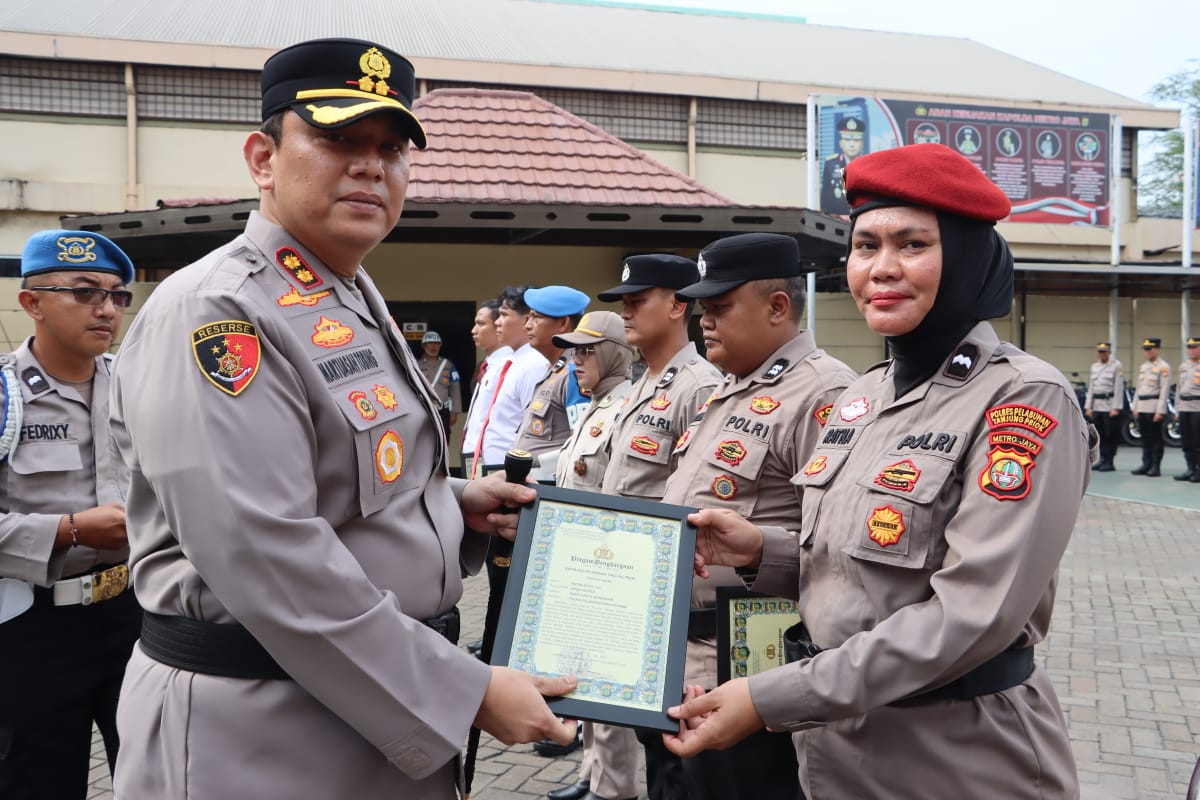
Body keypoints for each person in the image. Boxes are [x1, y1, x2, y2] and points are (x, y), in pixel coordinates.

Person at [107, 38, 576, 799]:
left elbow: (345, 474)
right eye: (338, 140)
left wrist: (453, 502)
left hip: (366, 710)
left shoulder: (344, 291)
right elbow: (263, 549)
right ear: (263, 159)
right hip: (262, 731)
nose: (370, 167)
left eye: (391, 149)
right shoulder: (218, 309)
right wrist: (465, 691)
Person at [666, 143, 1092, 799]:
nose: (882, 268)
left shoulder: (1023, 398)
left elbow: (972, 616)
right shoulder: (864, 396)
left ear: (968, 258)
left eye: (913, 244)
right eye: (865, 246)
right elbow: (857, 566)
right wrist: (760, 550)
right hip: (836, 750)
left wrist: (770, 697)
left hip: (956, 757)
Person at [663, 232, 856, 800]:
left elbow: (839, 553)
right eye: (702, 309)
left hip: (750, 673)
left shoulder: (825, 393)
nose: (704, 321)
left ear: (777, 306)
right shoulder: (729, 386)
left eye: (720, 307)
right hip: (686, 661)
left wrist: (756, 548)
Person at [0, 229, 141, 799]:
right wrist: (70, 530)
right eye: (84, 293)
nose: (106, 309)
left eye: (117, 295)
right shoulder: (6, 396)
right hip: (31, 628)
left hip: (134, 617)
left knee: (152, 775)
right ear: (31, 302)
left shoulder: (138, 387)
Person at [598, 253, 723, 800]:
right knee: (651, 745)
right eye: (623, 303)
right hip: (628, 590)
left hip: (670, 602)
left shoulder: (699, 385)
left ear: (677, 306)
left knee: (674, 758)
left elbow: (696, 498)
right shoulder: (639, 383)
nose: (626, 312)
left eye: (637, 300)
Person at [547, 310, 639, 800]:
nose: (575, 361)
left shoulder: (626, 406)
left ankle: (614, 787)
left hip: (605, 563)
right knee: (583, 676)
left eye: (586, 351)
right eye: (572, 352)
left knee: (605, 680)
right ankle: (591, 773)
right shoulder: (594, 405)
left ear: (612, 354)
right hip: (578, 562)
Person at [512, 285, 591, 481]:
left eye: (536, 317)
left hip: (551, 484)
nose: (527, 325)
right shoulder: (555, 369)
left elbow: (582, 445)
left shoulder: (574, 372)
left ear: (563, 323)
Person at [475, 285, 548, 474]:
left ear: (526, 319)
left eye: (504, 315)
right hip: (495, 470)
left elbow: (532, 431)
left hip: (513, 472)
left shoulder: (534, 365)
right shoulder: (511, 362)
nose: (497, 323)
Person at [460, 300, 511, 473]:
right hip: (475, 456)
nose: (474, 330)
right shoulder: (488, 365)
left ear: (498, 326)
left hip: (495, 460)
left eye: (481, 324)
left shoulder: (509, 366)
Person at [1131, 337, 1171, 477]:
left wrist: (1160, 411)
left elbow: (1164, 390)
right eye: (1145, 349)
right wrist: (1135, 407)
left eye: (1149, 349)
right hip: (1142, 406)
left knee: (1155, 438)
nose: (1146, 352)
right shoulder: (1144, 366)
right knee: (1145, 438)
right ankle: (1146, 464)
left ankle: (1155, 466)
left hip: (1154, 407)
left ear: (1157, 349)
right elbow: (1139, 388)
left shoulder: (1163, 367)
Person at [1084, 341, 1124, 471]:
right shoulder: (1094, 366)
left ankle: (1109, 461)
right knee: (1099, 434)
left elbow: (1118, 387)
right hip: (1097, 405)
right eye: (1099, 351)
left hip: (1109, 406)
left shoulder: (1116, 366)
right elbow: (1092, 387)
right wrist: (1088, 406)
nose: (1101, 354)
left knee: (1110, 435)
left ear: (1109, 352)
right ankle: (1101, 459)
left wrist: (1116, 407)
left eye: (1104, 351)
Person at [416, 330, 461, 434]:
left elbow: (455, 389)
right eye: (430, 343)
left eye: (436, 343)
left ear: (440, 345)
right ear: (423, 346)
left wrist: (455, 412)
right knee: (424, 437)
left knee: (444, 437)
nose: (433, 346)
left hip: (443, 410)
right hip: (423, 409)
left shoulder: (448, 365)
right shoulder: (416, 365)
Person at [821, 116, 865, 215]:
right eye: (847, 139)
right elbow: (826, 198)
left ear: (862, 143)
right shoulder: (830, 165)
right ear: (841, 143)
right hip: (838, 219)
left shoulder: (867, 165)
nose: (852, 144)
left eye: (856, 140)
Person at [1174, 336, 1200, 482]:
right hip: (1184, 407)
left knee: (1198, 441)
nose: (1191, 350)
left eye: (1194, 347)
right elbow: (1179, 389)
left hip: (1198, 407)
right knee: (1186, 441)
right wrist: (1177, 409)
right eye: (1189, 347)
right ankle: (1191, 469)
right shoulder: (1184, 366)